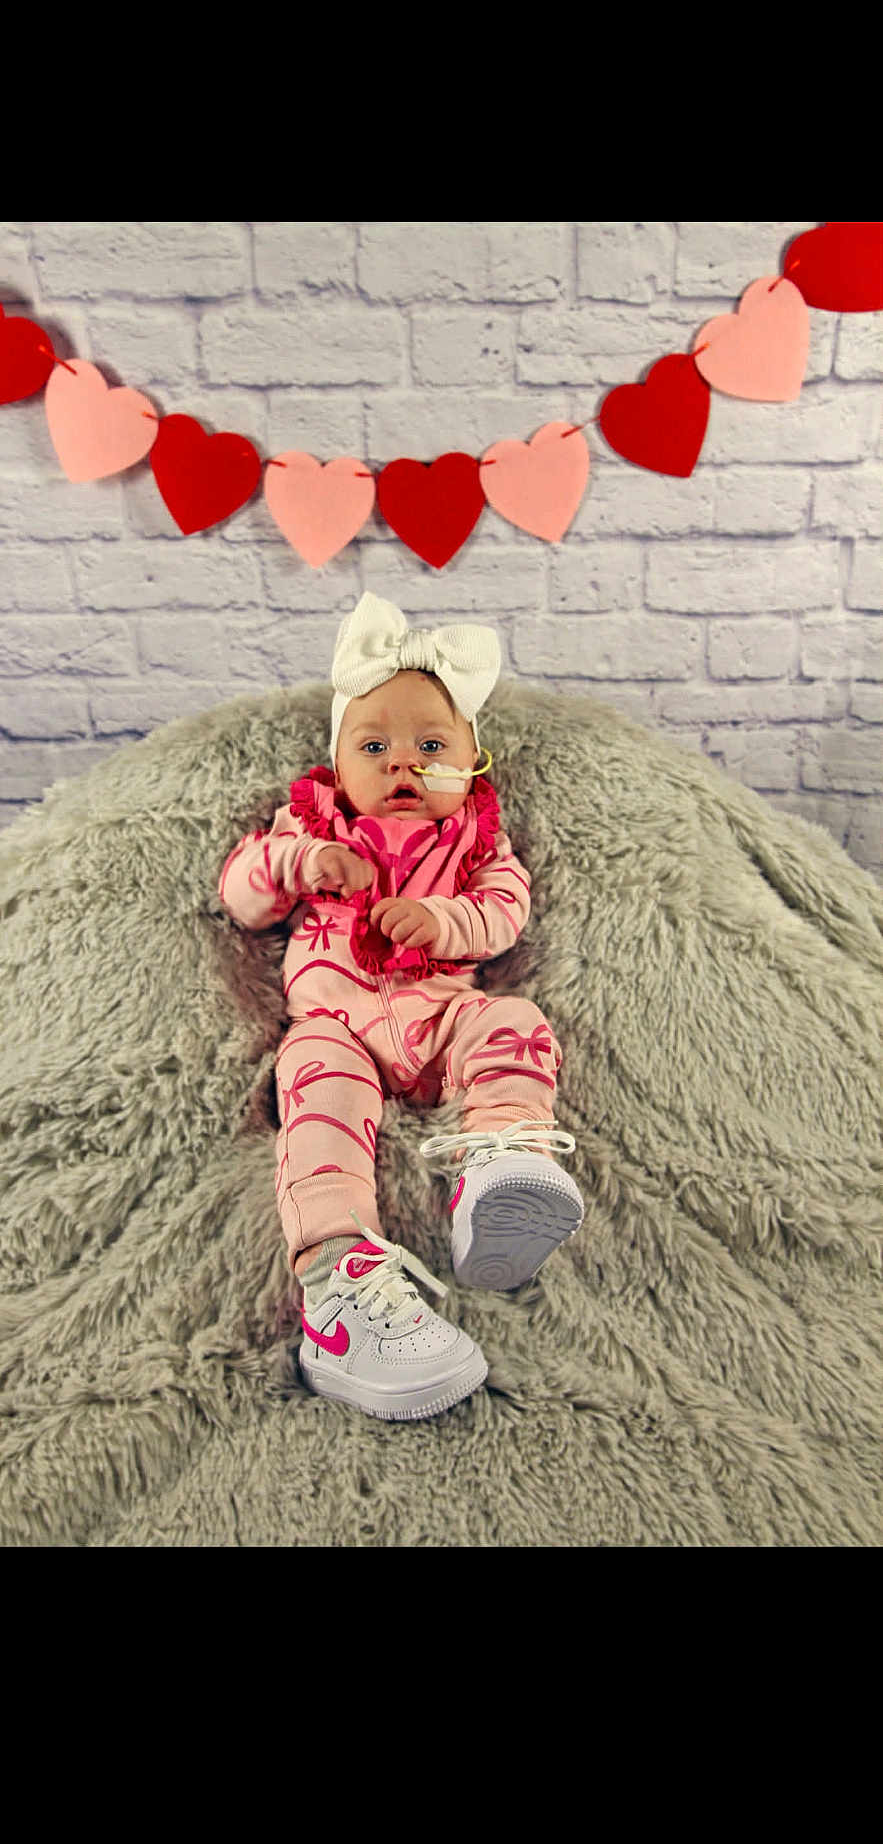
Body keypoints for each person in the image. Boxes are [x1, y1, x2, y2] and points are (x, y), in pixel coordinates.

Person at [218, 592, 584, 1420]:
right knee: (312, 1088)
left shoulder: (475, 841)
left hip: (441, 1011)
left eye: (430, 746)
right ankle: (337, 1286)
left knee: (514, 1023)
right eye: (374, 746)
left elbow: (505, 910)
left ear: (470, 762)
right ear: (337, 763)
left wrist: (441, 917)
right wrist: (303, 861)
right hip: (336, 1025)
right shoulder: (312, 825)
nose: (402, 766)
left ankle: (498, 1165)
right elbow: (241, 895)